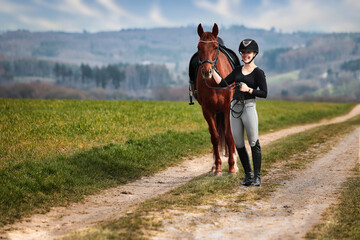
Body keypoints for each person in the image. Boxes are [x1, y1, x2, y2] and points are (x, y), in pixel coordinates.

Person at [212, 39, 267, 186]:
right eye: (243, 52)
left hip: (248, 107)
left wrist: (248, 89)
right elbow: (223, 83)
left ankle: (257, 177)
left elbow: (264, 93)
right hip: (234, 109)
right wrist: (212, 71)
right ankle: (248, 175)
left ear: (254, 54)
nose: (245, 55)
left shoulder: (258, 73)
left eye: (248, 52)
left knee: (254, 142)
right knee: (238, 143)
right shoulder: (236, 71)